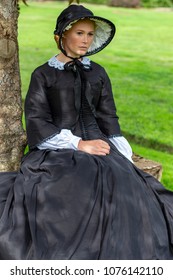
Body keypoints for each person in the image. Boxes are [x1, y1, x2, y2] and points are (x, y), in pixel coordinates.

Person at [0, 1, 173, 260]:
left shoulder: (98, 73)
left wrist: (120, 152)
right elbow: (37, 120)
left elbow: (108, 116)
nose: (85, 40)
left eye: (90, 34)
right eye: (79, 33)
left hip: (100, 144)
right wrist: (79, 145)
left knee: (125, 185)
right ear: (60, 37)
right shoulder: (44, 75)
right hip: (56, 148)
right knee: (74, 185)